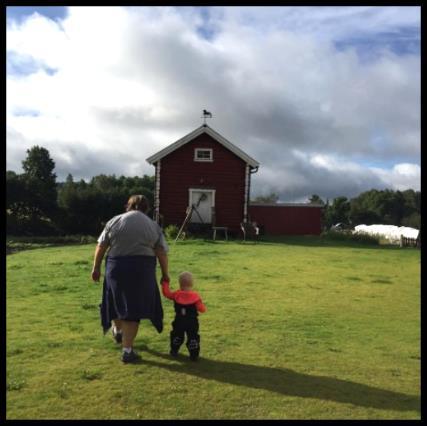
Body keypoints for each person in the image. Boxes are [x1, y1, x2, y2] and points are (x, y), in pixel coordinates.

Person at [91, 194, 169, 363]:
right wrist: (165, 274)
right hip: (141, 269)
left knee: (116, 300)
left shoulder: (114, 221)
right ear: (146, 208)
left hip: (116, 267)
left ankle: (118, 331)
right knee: (133, 309)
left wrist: (95, 268)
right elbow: (161, 252)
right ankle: (127, 350)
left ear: (128, 205)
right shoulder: (153, 226)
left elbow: (101, 245)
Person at [161, 272, 206, 361]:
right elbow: (202, 309)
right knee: (193, 336)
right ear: (192, 283)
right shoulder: (195, 296)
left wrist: (165, 283)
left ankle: (174, 350)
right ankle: (194, 355)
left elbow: (167, 293)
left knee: (176, 334)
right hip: (192, 322)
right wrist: (201, 306)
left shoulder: (176, 294)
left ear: (179, 283)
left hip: (179, 320)